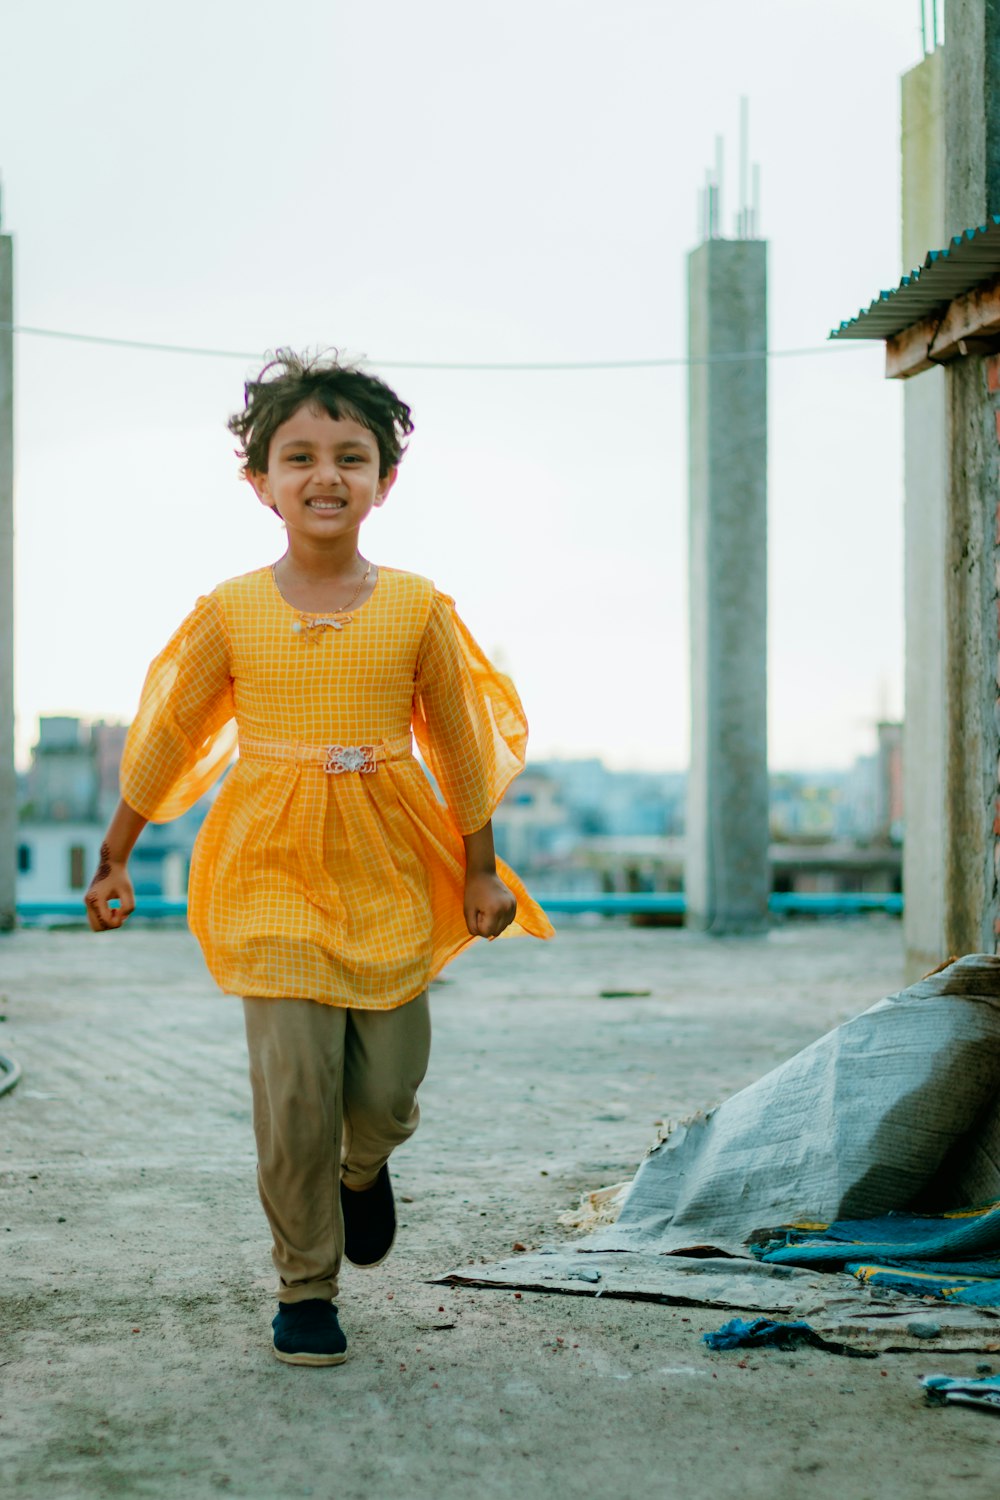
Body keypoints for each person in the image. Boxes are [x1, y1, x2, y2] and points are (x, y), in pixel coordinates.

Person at [85, 349, 553, 1367]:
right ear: (260, 483)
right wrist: (115, 854)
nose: (325, 474)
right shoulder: (232, 610)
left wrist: (480, 869)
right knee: (292, 1090)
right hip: (268, 865)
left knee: (386, 1083)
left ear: (386, 478)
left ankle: (364, 1166)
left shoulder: (417, 606)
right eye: (298, 456)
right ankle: (306, 1286)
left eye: (351, 454)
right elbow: (167, 735)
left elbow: (462, 750)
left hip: (385, 859)